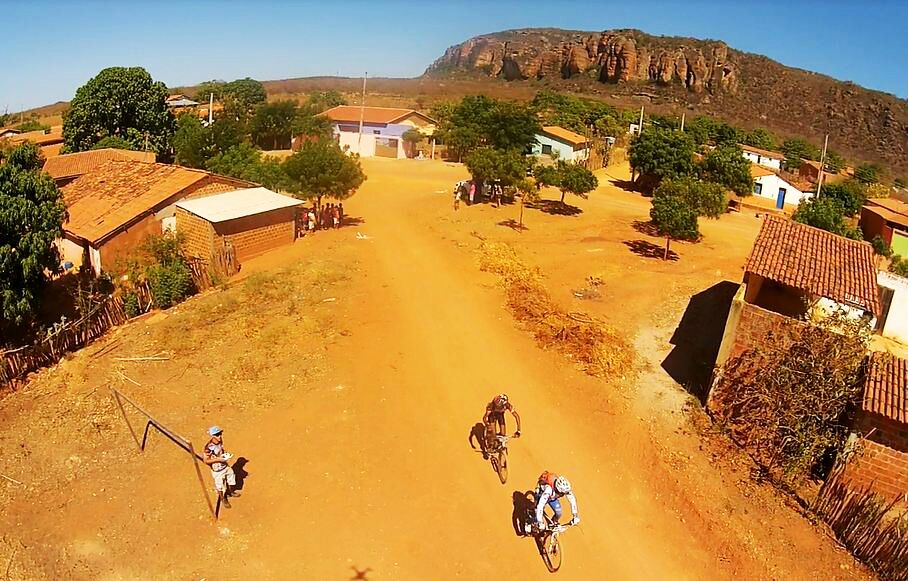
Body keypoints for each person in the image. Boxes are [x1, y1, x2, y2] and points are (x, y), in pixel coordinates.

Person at [204, 426, 240, 508]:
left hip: (225, 466)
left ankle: (231, 492)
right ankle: (223, 498)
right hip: (218, 471)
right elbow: (206, 461)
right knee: (220, 486)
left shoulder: (220, 441)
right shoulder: (209, 447)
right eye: (217, 435)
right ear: (212, 436)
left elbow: (221, 450)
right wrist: (218, 459)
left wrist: (225, 454)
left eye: (220, 434)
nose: (219, 436)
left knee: (231, 477)